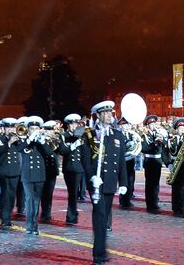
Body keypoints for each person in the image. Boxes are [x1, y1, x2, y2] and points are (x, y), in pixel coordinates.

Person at [86, 100, 128, 265]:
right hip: (97, 183)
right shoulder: (90, 134)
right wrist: (91, 176)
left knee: (104, 217)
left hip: (110, 182)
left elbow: (121, 161)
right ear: (98, 115)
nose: (109, 115)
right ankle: (99, 254)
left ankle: (101, 250)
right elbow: (86, 160)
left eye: (111, 112)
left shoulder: (117, 135)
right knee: (100, 215)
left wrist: (123, 182)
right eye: (105, 113)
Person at [62, 113, 89, 224]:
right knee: (72, 193)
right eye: (72, 124)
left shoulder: (80, 134)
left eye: (76, 124)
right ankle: (71, 215)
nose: (75, 126)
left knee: (77, 192)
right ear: (68, 125)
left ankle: (72, 213)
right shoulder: (64, 135)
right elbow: (62, 151)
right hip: (70, 167)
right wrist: (74, 145)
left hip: (80, 167)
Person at [141, 115, 166, 212]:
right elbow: (144, 149)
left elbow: (163, 148)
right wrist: (154, 144)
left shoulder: (159, 134)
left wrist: (162, 141)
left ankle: (155, 203)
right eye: (151, 124)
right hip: (149, 161)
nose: (154, 126)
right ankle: (150, 205)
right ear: (148, 126)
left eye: (154, 123)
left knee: (156, 184)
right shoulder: (145, 136)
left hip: (157, 161)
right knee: (149, 184)